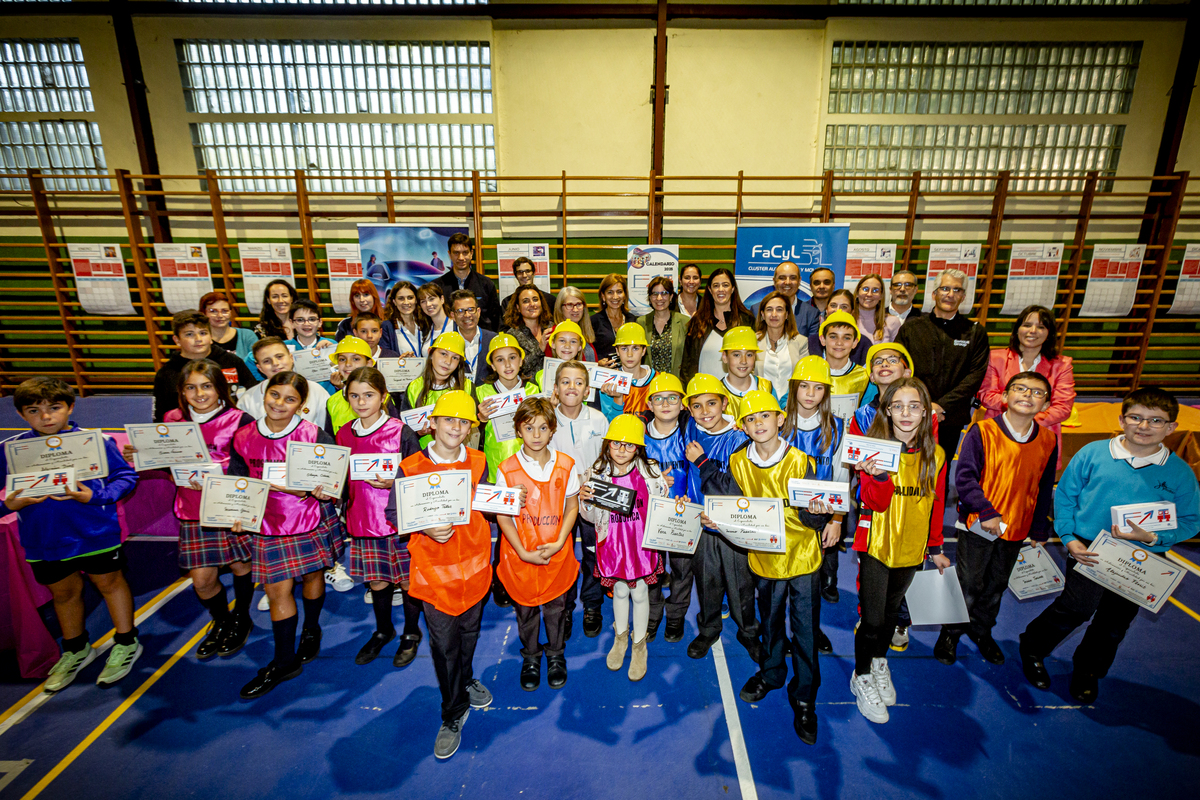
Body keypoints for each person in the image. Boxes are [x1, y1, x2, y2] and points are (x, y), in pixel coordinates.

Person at [1019, 387, 1200, 704]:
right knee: (1077, 607)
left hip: (1142, 557)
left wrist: (1155, 538)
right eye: (1136, 418)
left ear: (1171, 427)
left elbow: (1191, 520)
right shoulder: (1093, 453)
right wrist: (1069, 537)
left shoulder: (1180, 473)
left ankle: (1088, 670)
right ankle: (1032, 647)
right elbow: (1066, 497)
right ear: (1122, 420)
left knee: (1115, 622)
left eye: (1156, 420)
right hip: (1089, 547)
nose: (1144, 426)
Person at [698, 390, 835, 745]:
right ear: (742, 426)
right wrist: (720, 520)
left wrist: (818, 516)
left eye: (764, 417)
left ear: (779, 420)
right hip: (764, 557)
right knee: (771, 623)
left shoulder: (801, 460)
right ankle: (772, 673)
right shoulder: (739, 460)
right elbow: (731, 499)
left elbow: (810, 513)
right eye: (750, 419)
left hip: (802, 557)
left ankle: (805, 695)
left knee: (805, 630)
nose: (758, 424)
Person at [1, 378, 140, 692]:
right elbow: (5, 499)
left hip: (95, 533)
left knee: (110, 583)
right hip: (44, 538)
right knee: (63, 594)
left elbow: (125, 476)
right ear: (22, 415)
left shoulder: (95, 442)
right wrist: (6, 504)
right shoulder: (11, 450)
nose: (46, 416)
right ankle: (77, 649)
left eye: (54, 408)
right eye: (34, 410)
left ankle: (126, 641)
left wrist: (96, 497)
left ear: (70, 407)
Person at [229, 372, 345, 699]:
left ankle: (311, 627)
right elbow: (236, 480)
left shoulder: (315, 435)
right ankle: (283, 662)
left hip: (307, 518)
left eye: (290, 399)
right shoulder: (243, 436)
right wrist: (235, 512)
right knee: (277, 589)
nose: (280, 404)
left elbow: (337, 483)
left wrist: (328, 493)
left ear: (302, 404)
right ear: (265, 394)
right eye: (275, 395)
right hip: (266, 523)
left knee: (311, 576)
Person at [130, 361, 255, 660]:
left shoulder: (240, 419)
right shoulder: (172, 419)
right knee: (202, 579)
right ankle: (221, 620)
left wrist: (219, 476)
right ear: (181, 392)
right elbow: (163, 460)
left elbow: (251, 464)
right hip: (192, 509)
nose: (199, 393)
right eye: (191, 387)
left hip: (229, 505)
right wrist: (142, 454)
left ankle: (241, 618)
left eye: (206, 386)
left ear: (219, 388)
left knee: (241, 566)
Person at [935, 371, 1058, 667]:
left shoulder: (1048, 440)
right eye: (1020, 389)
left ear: (1046, 405)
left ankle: (981, 631)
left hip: (1017, 527)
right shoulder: (983, 431)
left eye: (1037, 392)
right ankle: (950, 632)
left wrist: (1039, 528)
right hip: (979, 524)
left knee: (996, 585)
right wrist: (987, 511)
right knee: (968, 583)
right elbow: (964, 477)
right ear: (1004, 397)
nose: (1028, 396)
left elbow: (1044, 486)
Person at [397, 390, 494, 759]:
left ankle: (466, 679)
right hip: (434, 576)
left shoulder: (480, 460)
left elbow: (486, 502)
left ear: (471, 428)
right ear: (432, 424)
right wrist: (424, 527)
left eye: (463, 422)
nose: (456, 427)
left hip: (474, 568)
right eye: (449, 420)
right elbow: (396, 514)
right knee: (443, 646)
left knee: (468, 635)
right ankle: (452, 712)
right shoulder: (410, 467)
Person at [852, 377, 949, 724]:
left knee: (892, 614)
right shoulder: (874, 449)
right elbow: (874, 503)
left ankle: (879, 661)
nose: (906, 413)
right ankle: (861, 674)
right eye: (898, 406)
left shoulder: (935, 455)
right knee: (874, 619)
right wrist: (875, 476)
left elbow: (936, 505)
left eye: (914, 406)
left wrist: (935, 546)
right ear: (888, 411)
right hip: (878, 545)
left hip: (913, 548)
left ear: (925, 412)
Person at [333, 367, 423, 668]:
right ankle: (383, 630)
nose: (361, 402)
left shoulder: (401, 431)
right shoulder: (344, 433)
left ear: (383, 397)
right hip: (361, 521)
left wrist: (397, 481)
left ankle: (411, 632)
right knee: (377, 582)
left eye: (368, 395)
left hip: (397, 521)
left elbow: (418, 475)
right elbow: (340, 478)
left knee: (408, 582)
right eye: (354, 396)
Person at [494, 397, 581, 692]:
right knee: (526, 611)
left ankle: (556, 653)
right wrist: (521, 550)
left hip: (556, 552)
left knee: (556, 608)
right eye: (529, 427)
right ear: (518, 429)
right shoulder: (506, 469)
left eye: (543, 428)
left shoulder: (566, 465)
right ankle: (531, 655)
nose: (536, 434)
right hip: (521, 555)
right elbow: (503, 517)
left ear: (552, 430)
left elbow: (572, 506)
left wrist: (558, 542)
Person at [579, 414, 668, 681]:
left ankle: (639, 644)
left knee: (640, 592)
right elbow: (589, 518)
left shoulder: (650, 471)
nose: (622, 450)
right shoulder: (596, 473)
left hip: (640, 545)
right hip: (613, 545)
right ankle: (620, 638)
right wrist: (587, 502)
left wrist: (671, 499)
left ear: (638, 447)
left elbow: (661, 504)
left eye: (629, 445)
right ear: (607, 444)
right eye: (616, 444)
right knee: (618, 590)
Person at [681, 374, 763, 663]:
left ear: (725, 403)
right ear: (689, 410)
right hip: (700, 523)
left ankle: (749, 631)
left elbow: (731, 488)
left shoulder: (740, 439)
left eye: (711, 404)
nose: (705, 412)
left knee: (741, 583)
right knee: (706, 580)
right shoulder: (690, 426)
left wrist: (701, 462)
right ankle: (709, 627)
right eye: (697, 406)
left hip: (731, 524)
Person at [895, 268, 989, 492]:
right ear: (934, 294)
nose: (950, 294)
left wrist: (941, 406)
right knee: (903, 471)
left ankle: (932, 527)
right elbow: (900, 367)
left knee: (938, 475)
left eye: (957, 290)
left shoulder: (974, 332)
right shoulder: (912, 327)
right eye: (945, 288)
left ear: (963, 297)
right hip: (910, 414)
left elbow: (975, 375)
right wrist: (923, 404)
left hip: (949, 417)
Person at [782, 356, 847, 634]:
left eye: (818, 388)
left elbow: (843, 476)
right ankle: (777, 632)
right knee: (778, 583)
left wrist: (837, 519)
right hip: (782, 515)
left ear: (827, 392)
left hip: (817, 517)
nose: (810, 394)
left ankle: (810, 631)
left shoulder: (838, 426)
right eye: (804, 386)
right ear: (794, 387)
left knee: (809, 582)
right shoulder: (777, 422)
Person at [549, 361, 609, 638]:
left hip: (592, 500)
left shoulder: (598, 419)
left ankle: (592, 605)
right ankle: (563, 606)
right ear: (556, 387)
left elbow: (607, 460)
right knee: (561, 554)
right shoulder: (546, 419)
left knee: (591, 553)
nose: (571, 387)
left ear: (587, 389)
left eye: (578, 382)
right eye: (565, 381)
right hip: (556, 501)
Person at [977, 305, 1076, 468]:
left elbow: (1063, 407)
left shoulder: (1062, 365)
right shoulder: (996, 358)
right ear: (1017, 329)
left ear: (1049, 333)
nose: (1033, 331)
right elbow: (987, 396)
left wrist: (1027, 422)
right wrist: (1014, 420)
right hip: (998, 432)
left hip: (1040, 435)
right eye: (1027, 325)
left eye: (1041, 327)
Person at [153, 310, 255, 421]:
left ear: (211, 337)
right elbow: (161, 416)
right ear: (177, 340)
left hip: (230, 429)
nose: (198, 339)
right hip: (188, 432)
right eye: (189, 334)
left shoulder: (231, 361)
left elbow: (253, 396)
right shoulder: (167, 373)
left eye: (203, 333)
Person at [474, 333, 540, 482]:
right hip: (496, 466)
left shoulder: (534, 391)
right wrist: (482, 420)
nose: (508, 364)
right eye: (500, 360)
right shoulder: (481, 393)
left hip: (530, 465)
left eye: (512, 357)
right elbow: (471, 433)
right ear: (492, 366)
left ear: (521, 360)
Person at [680, 268, 755, 385]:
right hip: (704, 394)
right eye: (716, 285)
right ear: (710, 289)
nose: (721, 290)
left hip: (739, 394)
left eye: (725, 285)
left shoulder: (747, 320)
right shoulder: (698, 321)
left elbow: (753, 360)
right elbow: (687, 365)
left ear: (733, 288)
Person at [240, 337, 331, 428]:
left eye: (279, 357)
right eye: (266, 361)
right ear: (260, 368)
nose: (275, 363)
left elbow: (326, 429)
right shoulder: (248, 399)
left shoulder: (316, 391)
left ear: (291, 358)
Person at [404, 332, 472, 448]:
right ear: (430, 353)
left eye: (455, 358)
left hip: (458, 455)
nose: (448, 361)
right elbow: (405, 431)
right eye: (443, 354)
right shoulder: (414, 387)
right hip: (423, 455)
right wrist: (418, 433)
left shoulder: (467, 387)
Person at [432, 233, 502, 335]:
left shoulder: (486, 284)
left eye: (465, 252)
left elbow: (496, 319)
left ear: (471, 253)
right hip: (448, 345)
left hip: (481, 344)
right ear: (449, 254)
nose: (461, 257)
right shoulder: (438, 286)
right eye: (456, 253)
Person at [755, 290, 808, 406]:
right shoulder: (753, 342)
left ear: (787, 314)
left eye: (779, 310)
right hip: (761, 406)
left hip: (792, 406)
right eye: (769, 310)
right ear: (763, 314)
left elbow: (804, 379)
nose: (774, 314)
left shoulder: (801, 342)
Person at [816, 310, 871, 423]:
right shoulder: (809, 372)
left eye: (846, 338)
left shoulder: (865, 377)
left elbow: (870, 414)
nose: (839, 343)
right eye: (833, 337)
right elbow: (787, 401)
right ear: (823, 339)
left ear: (855, 342)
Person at [600, 323, 656, 421]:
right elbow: (608, 424)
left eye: (635, 348)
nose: (629, 354)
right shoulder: (609, 382)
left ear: (643, 351)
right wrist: (617, 399)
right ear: (617, 351)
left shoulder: (657, 381)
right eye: (624, 348)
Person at [752, 261, 820, 338]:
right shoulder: (756, 309)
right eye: (782, 278)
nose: (787, 282)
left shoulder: (811, 313)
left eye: (793, 278)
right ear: (774, 281)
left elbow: (812, 348)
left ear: (799, 281)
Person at [637, 276, 688, 378]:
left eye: (664, 293)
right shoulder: (641, 323)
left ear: (671, 296)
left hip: (676, 385)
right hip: (649, 386)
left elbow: (690, 359)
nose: (659, 298)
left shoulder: (684, 322)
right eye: (655, 294)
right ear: (650, 298)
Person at [720, 326, 773, 420]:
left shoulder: (767, 387)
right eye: (736, 355)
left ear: (755, 357)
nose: (743, 361)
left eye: (749, 355)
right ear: (724, 357)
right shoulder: (717, 392)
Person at [200, 291, 258, 375]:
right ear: (204, 313)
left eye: (224, 311)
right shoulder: (201, 339)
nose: (219, 315)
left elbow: (258, 366)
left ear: (230, 312)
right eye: (213, 311)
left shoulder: (247, 336)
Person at [806, 291, 870, 366]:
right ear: (826, 310)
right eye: (833, 305)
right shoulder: (812, 341)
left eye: (844, 307)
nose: (837, 310)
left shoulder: (864, 343)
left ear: (852, 312)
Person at [335, 278, 399, 352]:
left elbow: (394, 351)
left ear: (374, 296)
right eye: (357, 295)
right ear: (352, 300)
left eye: (366, 294)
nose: (362, 300)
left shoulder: (388, 321)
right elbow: (340, 352)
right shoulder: (345, 325)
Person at [503, 285, 552, 377]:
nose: (532, 304)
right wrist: (539, 349)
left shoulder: (551, 328)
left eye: (535, 299)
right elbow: (514, 368)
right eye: (526, 301)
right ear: (518, 307)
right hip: (528, 388)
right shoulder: (512, 335)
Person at [450, 289, 495, 386]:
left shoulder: (494, 340)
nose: (467, 315)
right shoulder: (445, 343)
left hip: (489, 398)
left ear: (478, 312)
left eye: (471, 309)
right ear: (453, 316)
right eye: (460, 311)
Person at [591, 274, 637, 364]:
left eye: (619, 291)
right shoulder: (593, 322)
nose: (615, 297)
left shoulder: (633, 320)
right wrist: (598, 364)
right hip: (603, 374)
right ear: (603, 296)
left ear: (625, 295)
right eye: (610, 292)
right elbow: (586, 353)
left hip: (628, 373)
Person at [553, 287, 602, 363]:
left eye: (579, 304)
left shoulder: (585, 332)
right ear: (560, 308)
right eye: (569, 305)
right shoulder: (553, 334)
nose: (575, 310)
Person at [385, 281, 432, 358]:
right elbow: (386, 360)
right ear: (394, 302)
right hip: (402, 370)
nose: (406, 302)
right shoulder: (387, 327)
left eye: (410, 298)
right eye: (401, 298)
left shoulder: (426, 323)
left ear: (416, 300)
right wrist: (401, 361)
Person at [855, 274, 892, 343]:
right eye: (865, 289)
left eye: (875, 290)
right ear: (857, 292)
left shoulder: (892, 321)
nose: (869, 294)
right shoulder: (846, 319)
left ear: (881, 295)